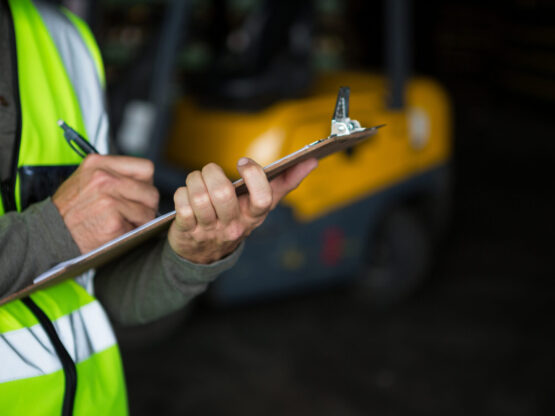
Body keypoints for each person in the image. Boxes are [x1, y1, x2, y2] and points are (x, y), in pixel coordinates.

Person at [0, 0, 317, 414]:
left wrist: (193, 255)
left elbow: (104, 292)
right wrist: (51, 231)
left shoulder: (63, 39)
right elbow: (58, 236)